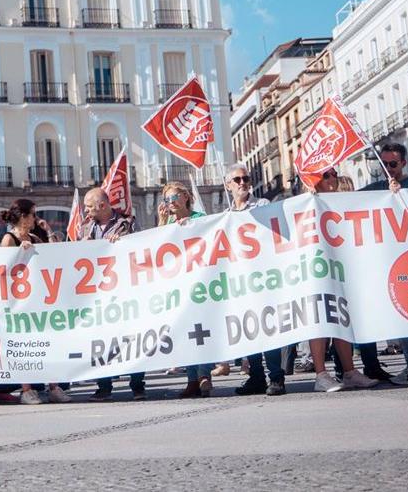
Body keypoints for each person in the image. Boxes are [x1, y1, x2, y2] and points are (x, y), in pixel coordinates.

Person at [302, 169, 380, 393]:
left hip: (341, 267)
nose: (332, 179)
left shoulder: (344, 201)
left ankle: (349, 372)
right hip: (316, 269)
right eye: (325, 176)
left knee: (342, 318)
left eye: (333, 174)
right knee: (320, 321)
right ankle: (321, 375)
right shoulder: (307, 203)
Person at [361, 143, 408, 386]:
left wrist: (400, 193)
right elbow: (349, 199)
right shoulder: (377, 187)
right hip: (391, 262)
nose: (388, 169)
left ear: (403, 163)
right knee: (402, 315)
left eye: (392, 164)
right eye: (384, 165)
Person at [0, 198, 70, 405]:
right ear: (23, 216)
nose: (35, 218)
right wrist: (21, 252)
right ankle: (27, 389)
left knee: (46, 342)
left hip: (38, 298)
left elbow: (54, 254)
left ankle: (54, 386)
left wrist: (47, 232)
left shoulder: (34, 237)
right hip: (19, 301)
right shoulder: (9, 238)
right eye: (33, 214)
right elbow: (4, 268)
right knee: (25, 345)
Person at [222, 168, 287, 397]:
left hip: (262, 276)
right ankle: (257, 376)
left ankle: (276, 377)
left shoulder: (262, 205)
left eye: (245, 179)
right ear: (228, 185)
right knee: (249, 328)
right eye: (237, 180)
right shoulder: (226, 214)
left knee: (268, 327)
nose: (242, 183)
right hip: (241, 280)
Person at [76, 188, 144, 402]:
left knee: (132, 338)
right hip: (98, 294)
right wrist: (82, 246)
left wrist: (124, 243)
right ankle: (104, 386)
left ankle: (137, 385)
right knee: (100, 340)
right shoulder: (86, 228)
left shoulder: (127, 223)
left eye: (88, 205)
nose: (85, 210)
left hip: (124, 291)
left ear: (102, 205)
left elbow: (141, 247)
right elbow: (75, 257)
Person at [158, 182, 219, 398]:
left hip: (200, 283)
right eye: (166, 199)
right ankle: (192, 379)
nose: (170, 203)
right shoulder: (168, 224)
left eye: (174, 197)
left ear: (185, 197)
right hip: (179, 286)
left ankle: (204, 375)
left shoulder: (200, 219)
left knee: (201, 330)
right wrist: (162, 222)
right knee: (186, 331)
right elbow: (157, 247)